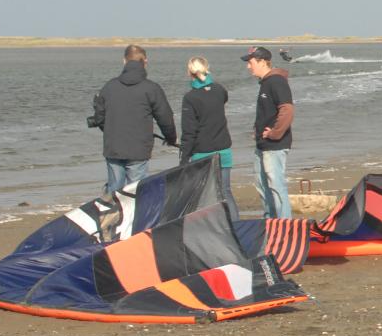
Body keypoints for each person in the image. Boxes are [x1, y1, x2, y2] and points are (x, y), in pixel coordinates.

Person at [90, 44, 177, 194]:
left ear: (124, 61)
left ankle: (113, 213)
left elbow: (99, 118)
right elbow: (165, 118)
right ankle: (130, 215)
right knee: (136, 191)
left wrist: (111, 130)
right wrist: (171, 138)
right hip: (138, 149)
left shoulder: (109, 87)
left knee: (114, 190)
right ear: (145, 62)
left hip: (115, 147)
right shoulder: (151, 88)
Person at [180, 56, 238, 219]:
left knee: (205, 197)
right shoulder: (220, 90)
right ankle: (236, 227)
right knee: (225, 192)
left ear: (189, 72)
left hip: (202, 153)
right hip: (223, 150)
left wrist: (184, 158)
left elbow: (189, 131)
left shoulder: (191, 97)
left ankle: (211, 231)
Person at [242, 45, 294, 218]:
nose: (248, 66)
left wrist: (274, 133)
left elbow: (287, 110)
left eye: (250, 63)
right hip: (262, 145)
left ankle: (285, 225)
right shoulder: (265, 83)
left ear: (262, 62)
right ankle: (270, 221)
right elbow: (268, 111)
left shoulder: (276, 81)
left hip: (275, 145)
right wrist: (256, 131)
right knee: (262, 185)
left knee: (276, 186)